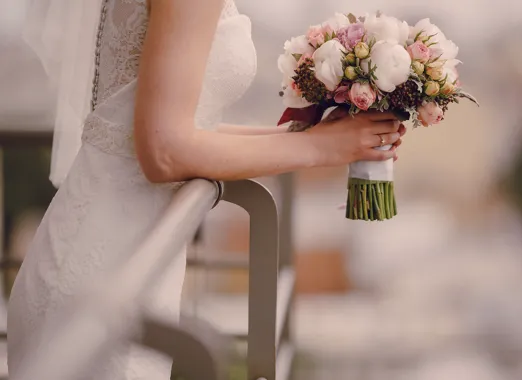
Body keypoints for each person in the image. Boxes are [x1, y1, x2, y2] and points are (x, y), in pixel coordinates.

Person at [7, 0, 406, 379]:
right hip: (106, 272)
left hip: (109, 253)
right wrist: (322, 147)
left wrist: (310, 135)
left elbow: (170, 132)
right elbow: (163, 152)